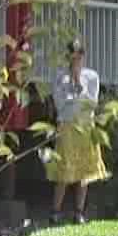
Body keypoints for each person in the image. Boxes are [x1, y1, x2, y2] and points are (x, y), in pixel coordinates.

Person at [46, 39, 106, 222]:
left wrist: (79, 82)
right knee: (64, 168)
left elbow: (91, 103)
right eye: (73, 57)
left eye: (79, 56)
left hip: (86, 126)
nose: (76, 61)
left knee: (85, 171)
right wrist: (71, 83)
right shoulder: (59, 77)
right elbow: (60, 103)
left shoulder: (92, 76)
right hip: (67, 125)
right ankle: (56, 210)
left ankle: (79, 211)